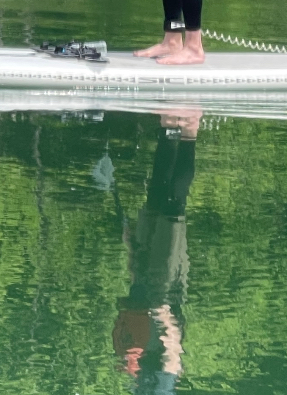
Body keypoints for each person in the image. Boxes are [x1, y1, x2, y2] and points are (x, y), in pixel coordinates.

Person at [113, 113, 199, 393]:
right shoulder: (163, 383)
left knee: (154, 198)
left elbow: (135, 289)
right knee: (173, 207)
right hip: (164, 293)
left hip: (144, 284)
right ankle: (189, 133)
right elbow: (175, 352)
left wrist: (131, 249)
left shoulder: (141, 379)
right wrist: (163, 315)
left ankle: (169, 128)